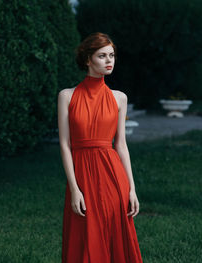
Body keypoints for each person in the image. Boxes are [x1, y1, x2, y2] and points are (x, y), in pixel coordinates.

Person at [58, 32, 143, 263]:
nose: (109, 61)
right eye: (102, 55)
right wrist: (75, 189)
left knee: (113, 236)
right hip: (82, 175)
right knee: (83, 236)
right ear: (88, 60)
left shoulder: (119, 98)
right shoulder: (67, 96)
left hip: (113, 177)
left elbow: (121, 146)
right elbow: (65, 145)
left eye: (112, 55)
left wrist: (132, 189)